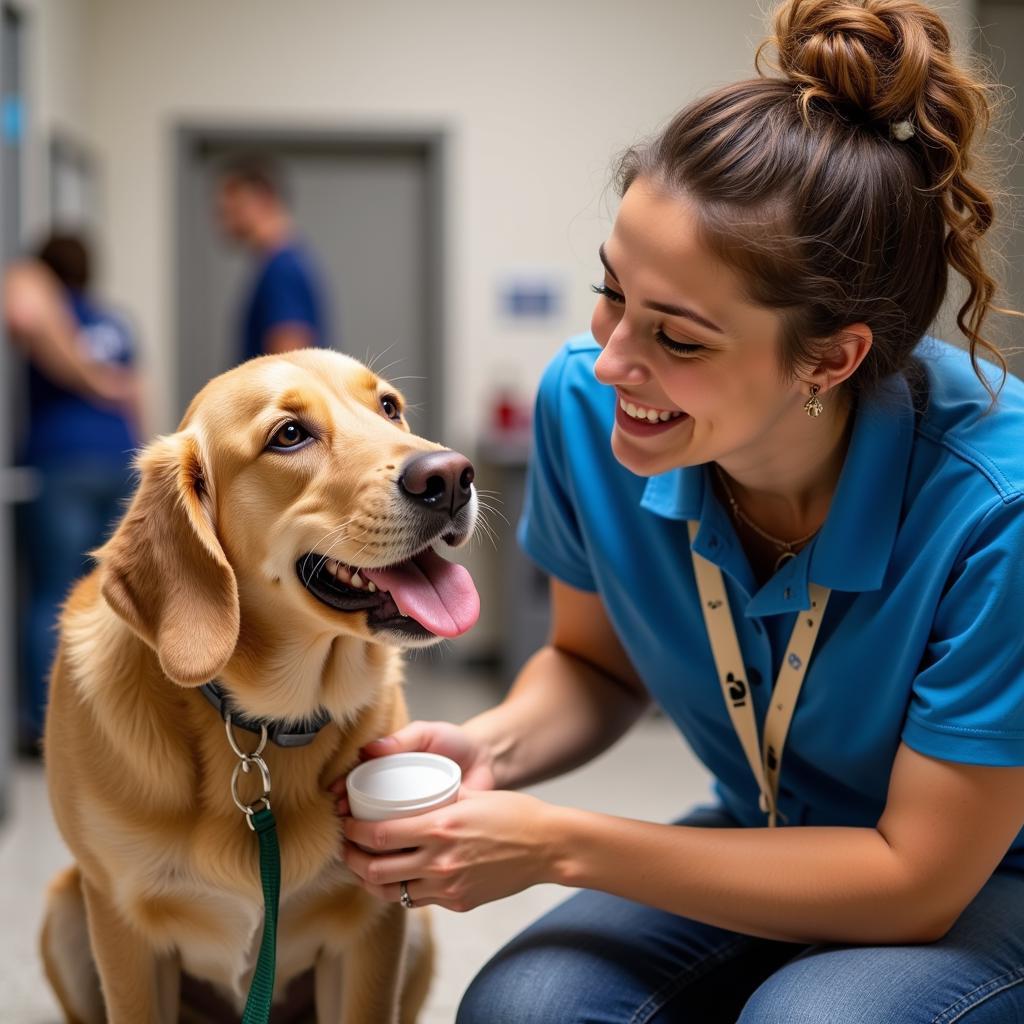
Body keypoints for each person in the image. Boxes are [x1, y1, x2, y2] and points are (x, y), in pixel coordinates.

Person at [334, 0, 1024, 1019]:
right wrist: (497, 748)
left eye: (681, 339)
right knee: (524, 1007)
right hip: (761, 826)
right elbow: (593, 663)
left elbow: (913, 880)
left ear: (830, 359)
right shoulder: (586, 404)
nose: (611, 361)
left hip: (977, 879)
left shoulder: (995, 508)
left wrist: (557, 842)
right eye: (609, 292)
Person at [4, 233, 141, 753]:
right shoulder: (116, 322)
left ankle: (46, 726)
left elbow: (21, 315)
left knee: (51, 593)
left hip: (59, 465)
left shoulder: (41, 305)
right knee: (105, 595)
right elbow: (135, 393)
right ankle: (98, 721)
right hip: (116, 459)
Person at [216, 156, 332, 362]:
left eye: (233, 209)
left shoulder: (282, 270)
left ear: (264, 199)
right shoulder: (280, 265)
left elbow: (290, 363)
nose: (224, 220)